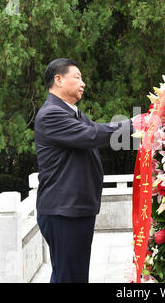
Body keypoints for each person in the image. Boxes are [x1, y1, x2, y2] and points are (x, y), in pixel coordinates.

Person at [34, 58, 136, 283]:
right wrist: (135, 124)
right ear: (58, 80)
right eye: (77, 77)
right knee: (69, 276)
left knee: (71, 275)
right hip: (63, 210)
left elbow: (96, 130)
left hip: (74, 208)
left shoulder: (72, 112)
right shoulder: (52, 113)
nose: (83, 83)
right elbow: (92, 135)